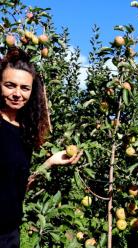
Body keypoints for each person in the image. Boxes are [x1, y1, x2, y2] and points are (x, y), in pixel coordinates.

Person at [0, 48, 82, 248]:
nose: (17, 94)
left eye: (25, 88)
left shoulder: (25, 133)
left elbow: (19, 187)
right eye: (10, 85)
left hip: (10, 235)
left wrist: (49, 163)